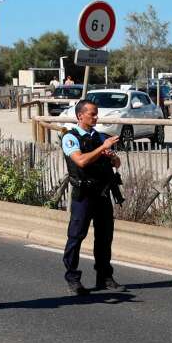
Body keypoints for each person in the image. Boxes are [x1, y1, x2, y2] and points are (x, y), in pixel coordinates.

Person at [61, 100, 123, 295]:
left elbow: (117, 164)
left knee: (105, 236)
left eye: (97, 114)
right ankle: (73, 278)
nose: (96, 117)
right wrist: (100, 148)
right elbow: (81, 161)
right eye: (92, 114)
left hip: (102, 193)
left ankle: (104, 276)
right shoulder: (70, 138)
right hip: (83, 194)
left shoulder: (100, 137)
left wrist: (112, 156)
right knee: (76, 236)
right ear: (80, 116)